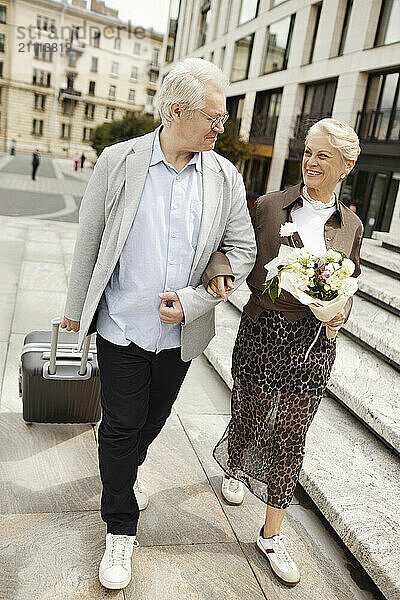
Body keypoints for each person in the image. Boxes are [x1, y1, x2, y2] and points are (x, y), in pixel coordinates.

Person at [60, 57, 256, 591]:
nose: (223, 127)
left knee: (153, 419)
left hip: (179, 336)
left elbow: (242, 249)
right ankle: (120, 529)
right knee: (121, 426)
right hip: (121, 326)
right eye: (215, 117)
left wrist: (195, 302)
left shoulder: (224, 176)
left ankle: (122, 473)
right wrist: (75, 311)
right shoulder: (117, 161)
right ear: (177, 111)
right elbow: (90, 240)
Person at [204, 118, 364, 587]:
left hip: (314, 343)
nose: (311, 163)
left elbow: (350, 279)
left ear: (346, 166)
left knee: (291, 433)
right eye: (308, 153)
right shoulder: (271, 205)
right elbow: (226, 246)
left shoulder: (351, 224)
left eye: (323, 157)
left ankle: (272, 533)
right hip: (261, 327)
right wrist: (219, 270)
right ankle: (237, 465)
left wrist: (340, 310)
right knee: (250, 414)